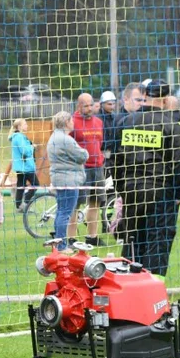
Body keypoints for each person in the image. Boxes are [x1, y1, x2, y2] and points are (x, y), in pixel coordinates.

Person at [112, 79, 180, 278]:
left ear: (146, 96)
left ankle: (128, 287)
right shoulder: (170, 125)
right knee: (158, 242)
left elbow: (116, 161)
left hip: (131, 191)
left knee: (133, 242)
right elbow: (178, 165)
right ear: (166, 99)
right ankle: (153, 294)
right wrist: (178, 195)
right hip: (160, 192)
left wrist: (122, 190)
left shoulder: (126, 122)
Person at [46, 111, 88, 252]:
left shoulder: (54, 137)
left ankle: (58, 243)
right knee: (65, 213)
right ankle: (62, 245)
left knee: (61, 212)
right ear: (66, 122)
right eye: (71, 120)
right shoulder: (65, 139)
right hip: (68, 180)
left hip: (59, 179)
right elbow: (82, 155)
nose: (73, 123)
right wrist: (85, 152)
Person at [68, 93, 105, 246]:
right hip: (79, 169)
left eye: (91, 105)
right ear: (79, 106)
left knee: (95, 202)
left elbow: (100, 142)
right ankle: (71, 239)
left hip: (98, 167)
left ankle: (92, 237)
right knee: (75, 204)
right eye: (86, 106)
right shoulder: (71, 122)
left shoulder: (98, 122)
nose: (89, 108)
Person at [8, 118, 39, 211]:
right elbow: (25, 151)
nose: (27, 126)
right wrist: (32, 147)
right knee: (36, 185)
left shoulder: (17, 137)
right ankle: (25, 202)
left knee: (21, 186)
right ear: (19, 126)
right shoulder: (19, 137)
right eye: (25, 124)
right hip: (25, 167)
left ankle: (19, 206)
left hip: (21, 166)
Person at [99, 90, 119, 162]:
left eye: (113, 104)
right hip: (101, 151)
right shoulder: (98, 118)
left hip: (112, 151)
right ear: (102, 104)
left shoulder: (114, 117)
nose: (112, 106)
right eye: (109, 104)